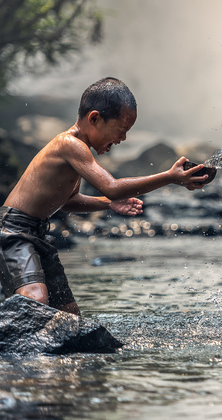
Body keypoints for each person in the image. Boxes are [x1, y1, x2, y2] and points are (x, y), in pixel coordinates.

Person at [0, 77, 209, 315]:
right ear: (94, 118)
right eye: (121, 130)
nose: (123, 139)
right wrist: (169, 177)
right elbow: (112, 186)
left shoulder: (78, 150)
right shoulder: (69, 144)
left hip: (37, 233)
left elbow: (68, 202)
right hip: (14, 232)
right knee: (35, 299)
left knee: (69, 316)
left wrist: (108, 205)